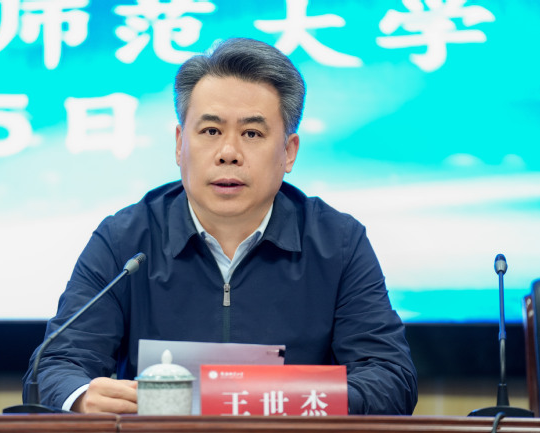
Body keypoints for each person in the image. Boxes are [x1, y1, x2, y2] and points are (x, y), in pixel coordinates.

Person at [23, 37, 418, 415]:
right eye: (211, 131)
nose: (228, 153)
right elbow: (55, 367)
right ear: (180, 144)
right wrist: (80, 397)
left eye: (252, 133)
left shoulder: (337, 243)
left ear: (288, 152)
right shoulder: (125, 240)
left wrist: (288, 401)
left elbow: (391, 379)